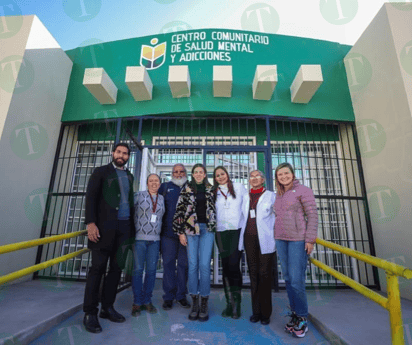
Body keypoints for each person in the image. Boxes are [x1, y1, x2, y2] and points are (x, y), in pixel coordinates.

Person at [83, 143, 135, 333]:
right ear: (113, 153)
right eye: (119, 152)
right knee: (97, 269)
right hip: (102, 230)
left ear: (129, 156)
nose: (121, 155)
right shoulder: (101, 172)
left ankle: (107, 307)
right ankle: (90, 312)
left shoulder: (129, 176)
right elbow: (91, 198)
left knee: (115, 270)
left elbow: (129, 204)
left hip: (123, 231)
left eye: (125, 153)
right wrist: (90, 223)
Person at [273, 162, 318, 338]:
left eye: (286, 173)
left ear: (293, 174)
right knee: (288, 279)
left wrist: (310, 239)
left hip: (298, 240)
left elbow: (312, 215)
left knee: (297, 280)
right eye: (280, 174)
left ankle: (302, 317)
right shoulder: (278, 194)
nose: (283, 177)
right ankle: (294, 314)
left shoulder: (303, 191)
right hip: (281, 240)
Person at [173, 163, 216, 322]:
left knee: (204, 265)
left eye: (201, 172)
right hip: (190, 230)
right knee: (193, 265)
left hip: (207, 231)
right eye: (196, 172)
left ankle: (204, 301)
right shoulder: (186, 189)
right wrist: (180, 232)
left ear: (205, 174)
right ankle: (195, 302)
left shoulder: (211, 190)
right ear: (193, 174)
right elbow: (179, 211)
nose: (198, 174)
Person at [238, 170, 276, 325]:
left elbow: (278, 218)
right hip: (249, 239)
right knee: (253, 274)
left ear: (263, 179)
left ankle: (266, 313)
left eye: (257, 176)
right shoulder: (245, 196)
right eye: (251, 176)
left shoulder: (271, 196)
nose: (253, 179)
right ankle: (256, 312)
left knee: (265, 274)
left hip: (266, 240)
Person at [213, 166, 246, 319]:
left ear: (227, 174)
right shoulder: (213, 192)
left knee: (234, 265)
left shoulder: (239, 187)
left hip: (236, 231)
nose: (220, 177)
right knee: (225, 267)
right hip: (220, 231)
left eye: (222, 174)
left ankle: (237, 304)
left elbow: (246, 207)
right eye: (217, 175)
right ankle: (229, 304)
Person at [131, 173, 165, 316]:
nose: (154, 183)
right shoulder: (138, 195)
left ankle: (147, 301)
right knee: (138, 270)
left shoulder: (162, 198)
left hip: (155, 240)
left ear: (160, 183)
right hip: (139, 239)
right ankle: (137, 302)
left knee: (151, 272)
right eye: (151, 181)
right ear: (147, 183)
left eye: (156, 181)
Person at [158, 164, 190, 311]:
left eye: (181, 171)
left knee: (184, 266)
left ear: (186, 173)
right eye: (175, 172)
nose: (178, 174)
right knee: (168, 264)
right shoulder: (164, 187)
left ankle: (181, 296)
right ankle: (169, 297)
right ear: (172, 173)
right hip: (168, 235)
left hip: (187, 236)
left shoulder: (191, 187)